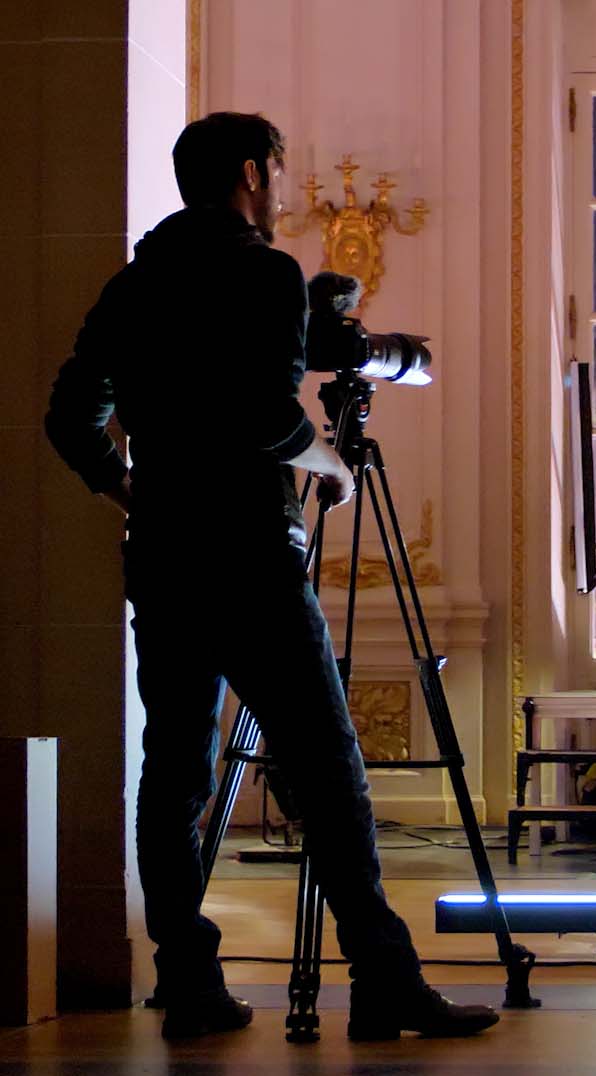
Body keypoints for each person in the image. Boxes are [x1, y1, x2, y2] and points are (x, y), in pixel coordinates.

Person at [44, 111, 499, 1042]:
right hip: (250, 555)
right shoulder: (264, 273)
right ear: (253, 173)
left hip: (164, 557)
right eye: (276, 174)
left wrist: (131, 490)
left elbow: (69, 415)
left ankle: (189, 984)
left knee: (175, 772)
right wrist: (329, 464)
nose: (280, 190)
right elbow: (263, 416)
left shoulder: (133, 284)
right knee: (328, 771)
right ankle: (382, 981)